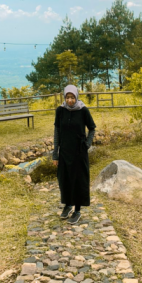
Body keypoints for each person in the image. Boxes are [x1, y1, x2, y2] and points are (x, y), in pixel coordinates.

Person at [52, 84, 96, 224]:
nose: (70, 100)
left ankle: (77, 210)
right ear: (65, 97)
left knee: (78, 180)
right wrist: (55, 154)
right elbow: (57, 132)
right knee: (64, 179)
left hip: (79, 152)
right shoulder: (60, 110)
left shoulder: (83, 111)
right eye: (68, 97)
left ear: (76, 97)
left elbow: (92, 128)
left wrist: (87, 144)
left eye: (72, 97)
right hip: (64, 151)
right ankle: (68, 205)